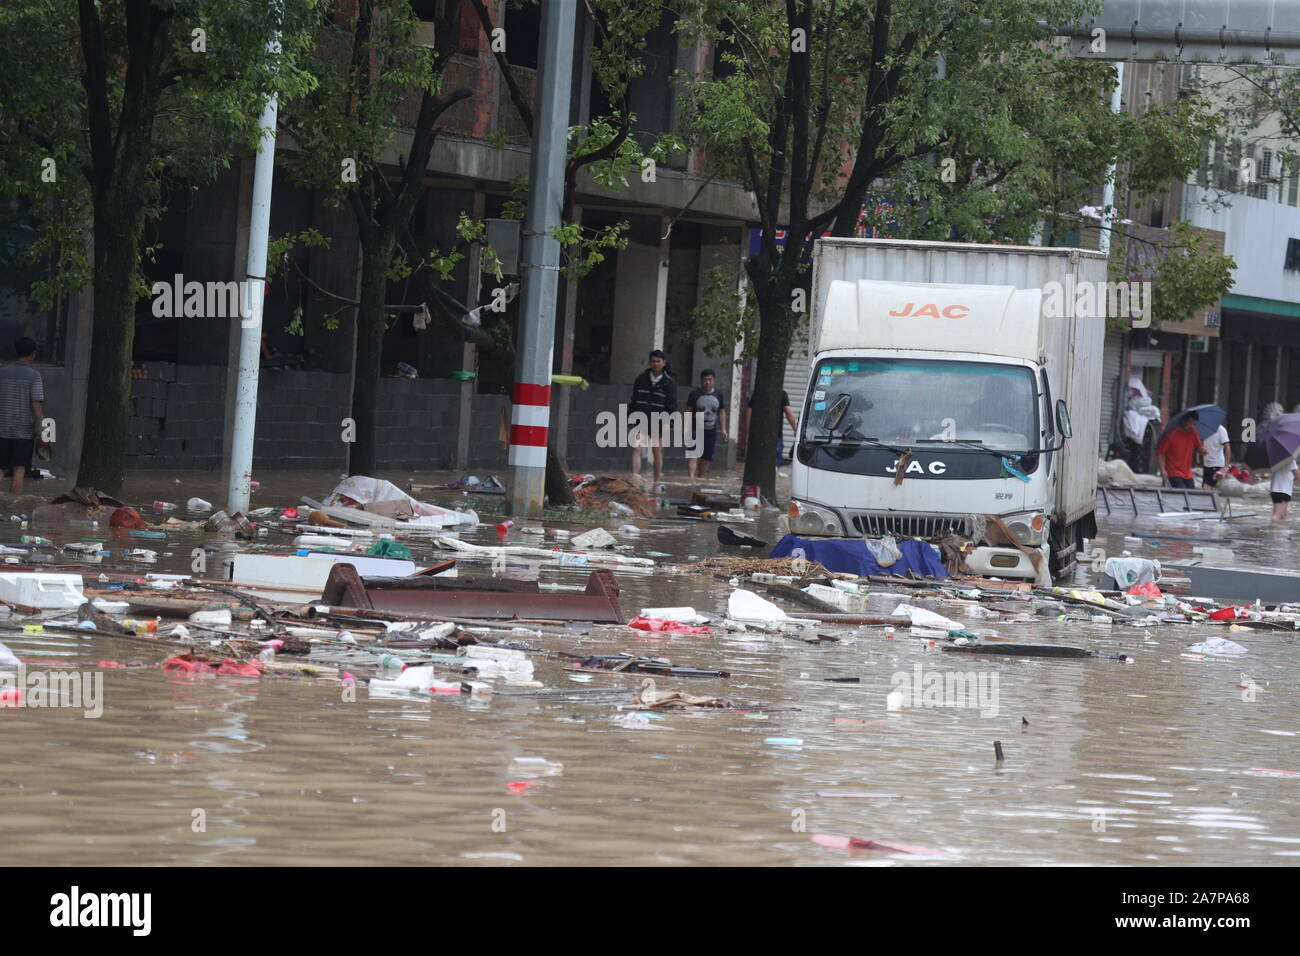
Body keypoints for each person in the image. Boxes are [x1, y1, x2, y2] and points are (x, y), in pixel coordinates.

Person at [0, 337, 44, 495]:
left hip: (2, 429)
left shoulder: (2, 373)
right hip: (23, 433)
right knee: (19, 470)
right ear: (33, 354)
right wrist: (42, 432)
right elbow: (36, 405)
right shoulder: (34, 376)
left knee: (1, 468)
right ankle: (12, 506)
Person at [628, 349, 676, 485]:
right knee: (636, 447)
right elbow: (634, 399)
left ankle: (656, 482)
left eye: (658, 361)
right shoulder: (641, 379)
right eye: (653, 361)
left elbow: (672, 406)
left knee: (656, 451)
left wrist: (668, 423)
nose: (655, 364)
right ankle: (635, 479)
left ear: (664, 363)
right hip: (640, 419)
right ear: (650, 363)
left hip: (658, 422)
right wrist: (630, 416)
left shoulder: (669, 383)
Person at [685, 369, 727, 478]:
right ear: (701, 380)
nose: (707, 382)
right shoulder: (694, 394)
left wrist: (723, 429)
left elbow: (721, 411)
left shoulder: (719, 394)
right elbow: (688, 410)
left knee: (706, 458)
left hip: (710, 430)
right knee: (693, 455)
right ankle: (691, 480)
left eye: (710, 380)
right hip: (695, 429)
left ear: (714, 381)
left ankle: (700, 480)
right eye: (705, 380)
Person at [743, 390, 799, 467]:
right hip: (775, 435)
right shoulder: (782, 394)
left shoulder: (757, 393)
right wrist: (796, 429)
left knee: (757, 463)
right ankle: (774, 473)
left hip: (757, 435)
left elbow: (750, 412)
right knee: (774, 464)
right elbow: (788, 413)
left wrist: (749, 432)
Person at [1155, 411, 1200, 489]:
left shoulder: (1193, 433)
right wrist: (1162, 469)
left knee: (1192, 495)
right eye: (1190, 423)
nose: (1192, 426)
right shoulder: (1171, 435)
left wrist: (1202, 451)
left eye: (1194, 424)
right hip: (1173, 472)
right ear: (1183, 421)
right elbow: (1160, 453)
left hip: (1187, 473)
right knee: (1181, 495)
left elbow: (1199, 447)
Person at [1200, 422, 1231, 489]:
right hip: (1207, 464)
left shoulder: (1221, 430)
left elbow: (1227, 447)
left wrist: (1226, 466)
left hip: (1216, 464)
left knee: (1206, 488)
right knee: (1204, 489)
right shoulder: (1205, 429)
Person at [1270, 458, 1300, 523]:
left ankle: (1280, 532)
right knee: (1277, 516)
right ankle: (1273, 531)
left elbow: (1288, 475)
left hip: (1278, 490)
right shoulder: (1290, 460)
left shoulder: (1276, 459)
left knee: (1282, 515)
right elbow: (1298, 477)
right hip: (1282, 490)